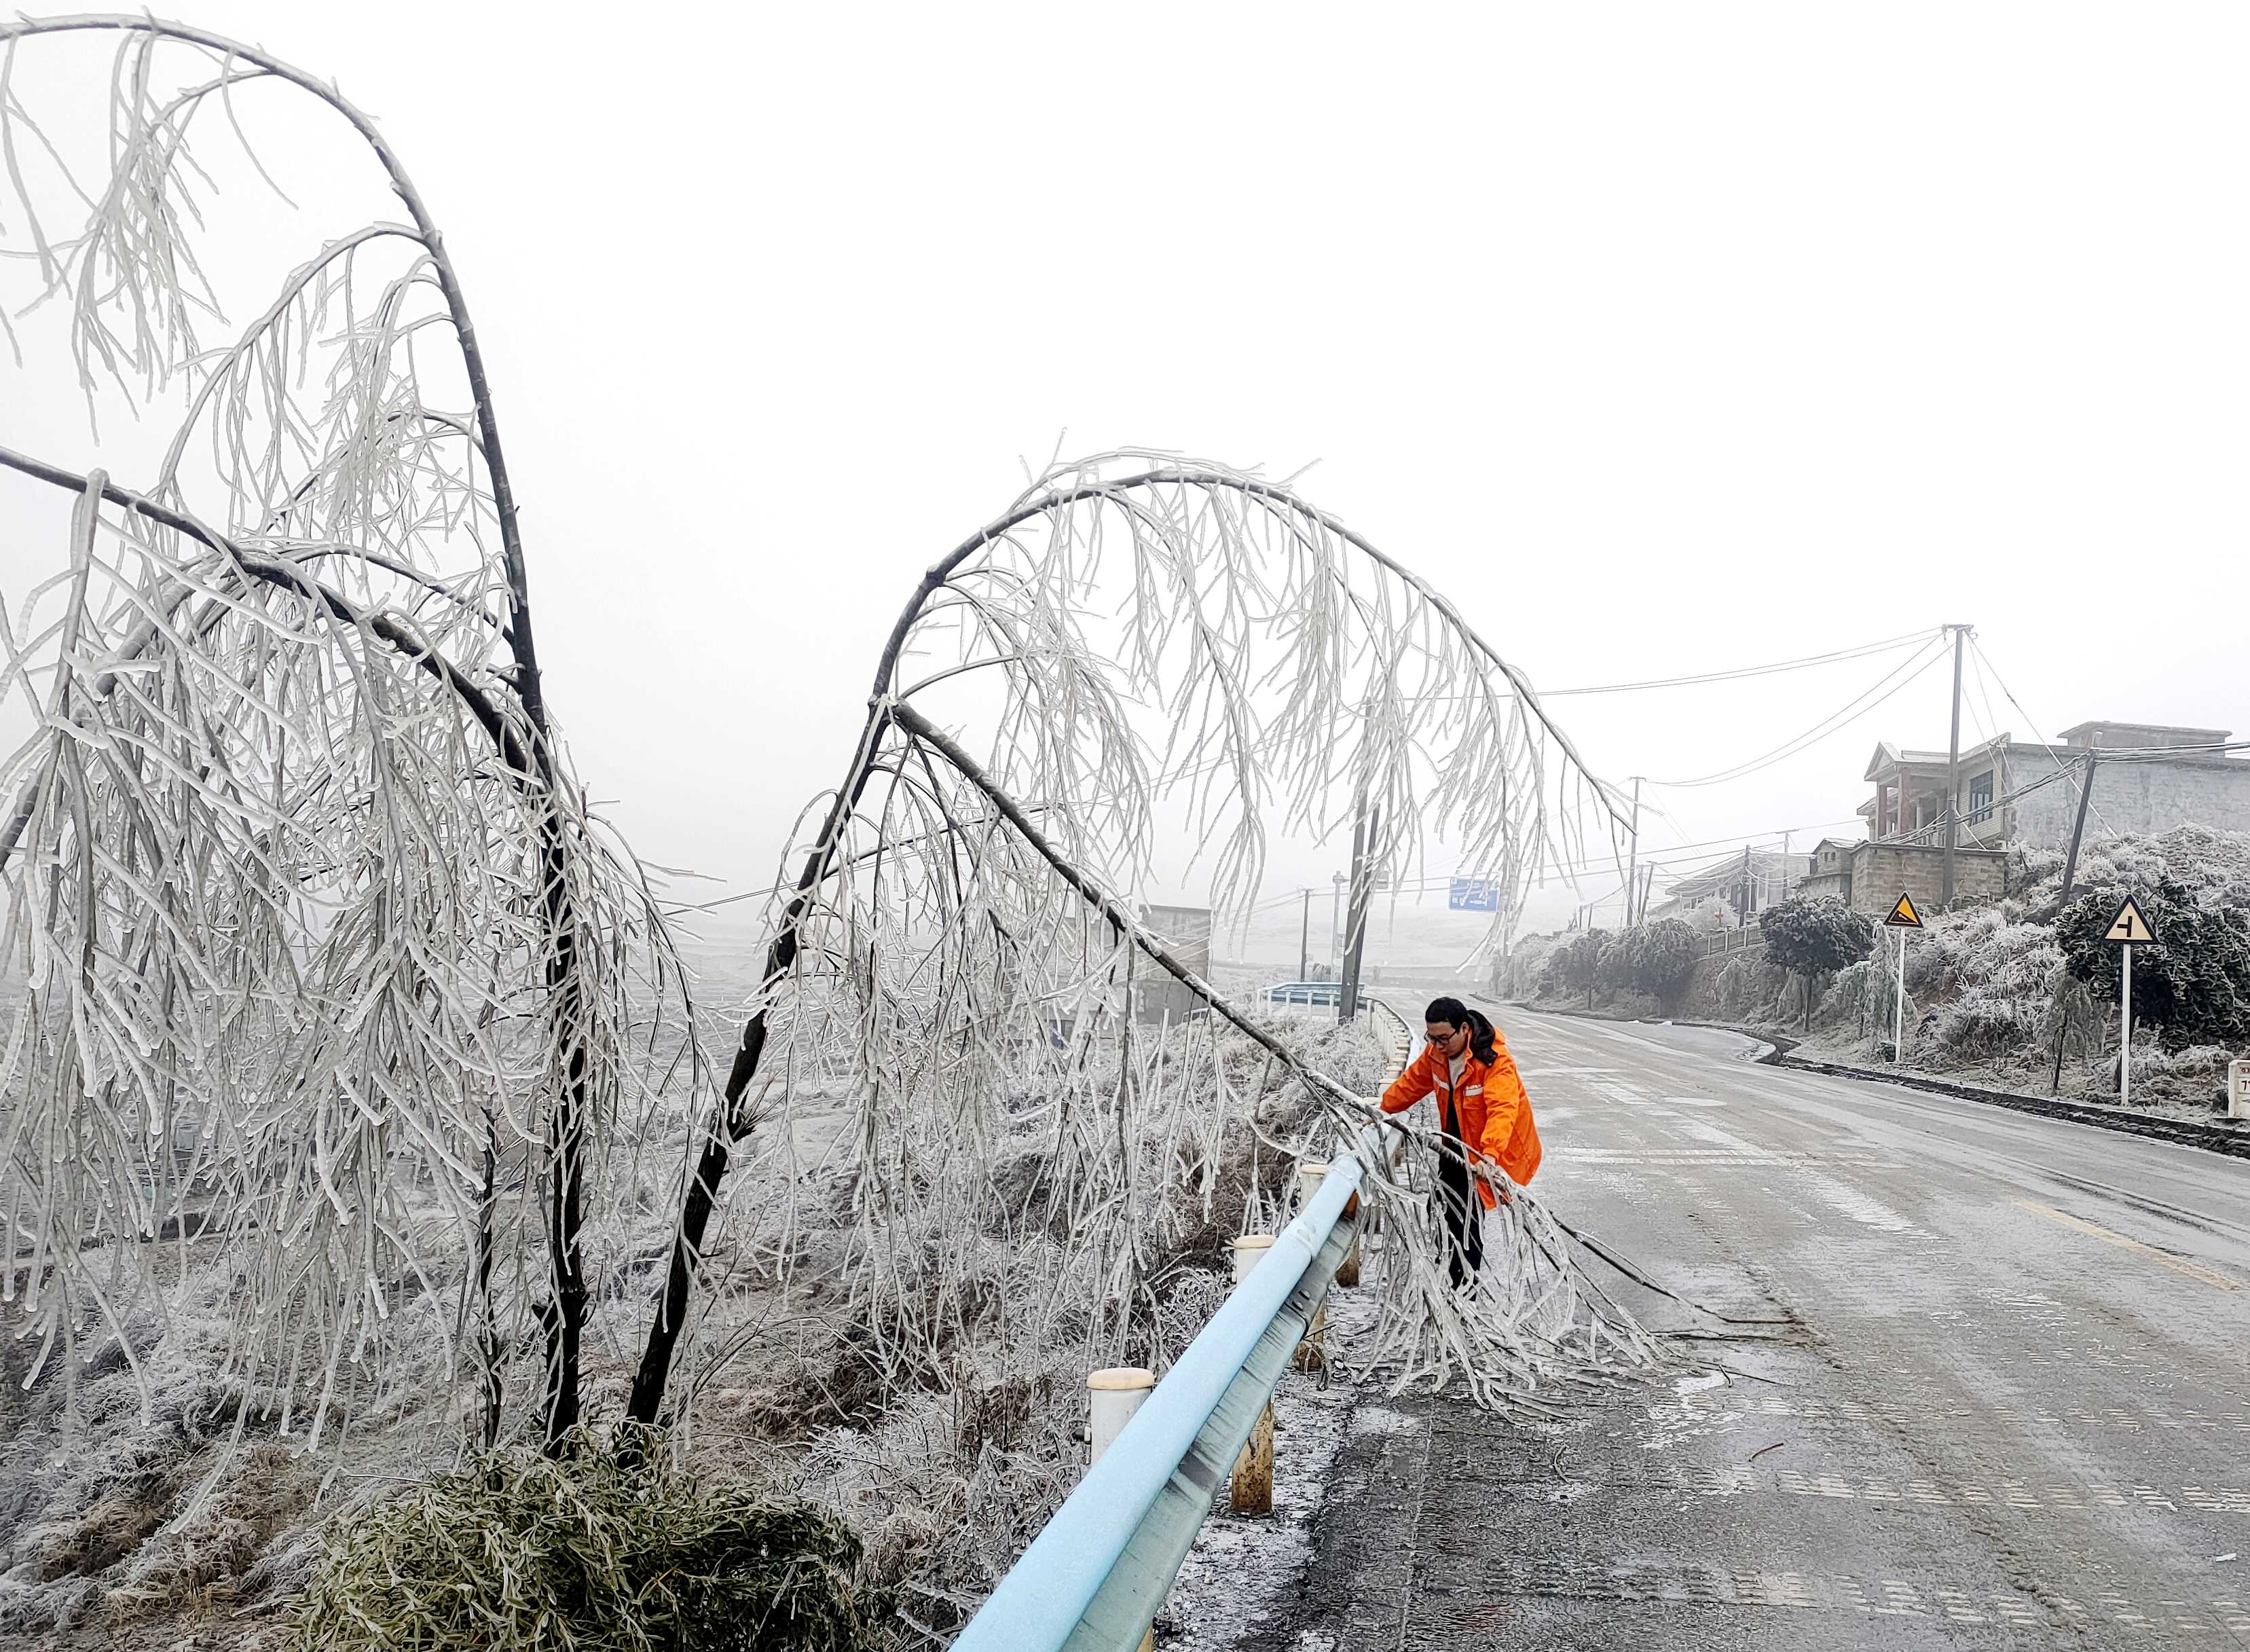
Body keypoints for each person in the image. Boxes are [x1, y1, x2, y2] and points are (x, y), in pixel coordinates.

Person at [1379, 995, 1542, 1289]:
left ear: (1464, 1029)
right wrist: (1381, 1109)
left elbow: (1503, 1109)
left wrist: (1489, 1156)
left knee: (1465, 1222)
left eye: (1443, 1039)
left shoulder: (1493, 1060)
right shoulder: (1435, 1054)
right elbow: (1412, 1084)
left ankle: (1463, 1293)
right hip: (1454, 1149)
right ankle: (1447, 1280)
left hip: (1490, 1154)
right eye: (1432, 1038)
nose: (1437, 1046)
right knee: (1441, 1209)